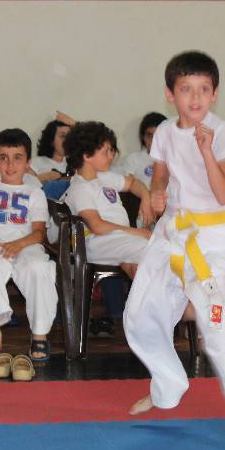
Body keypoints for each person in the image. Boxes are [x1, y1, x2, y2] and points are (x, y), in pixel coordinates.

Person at [123, 50, 225, 449]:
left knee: (217, 318)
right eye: (186, 90)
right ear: (170, 94)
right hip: (171, 232)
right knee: (140, 314)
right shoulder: (162, 132)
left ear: (214, 95)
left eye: (203, 90)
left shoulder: (224, 132)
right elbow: (160, 174)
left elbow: (224, 192)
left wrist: (208, 151)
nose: (195, 98)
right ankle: (167, 386)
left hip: (210, 240)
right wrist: (156, 195)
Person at [0, 128, 56, 364]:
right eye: (3, 157)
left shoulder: (35, 192)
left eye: (17, 157)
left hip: (27, 245)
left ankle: (39, 334)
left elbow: (39, 233)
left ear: (28, 162)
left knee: (39, 268)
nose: (10, 164)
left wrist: (19, 244)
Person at [63, 121, 154, 331]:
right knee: (153, 248)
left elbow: (133, 183)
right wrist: (137, 232)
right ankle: (150, 315)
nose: (112, 156)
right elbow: (96, 226)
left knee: (140, 267)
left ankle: (142, 318)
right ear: (86, 156)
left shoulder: (104, 178)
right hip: (95, 243)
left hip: (118, 242)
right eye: (106, 151)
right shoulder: (80, 188)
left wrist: (146, 197)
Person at [113, 111, 167, 190]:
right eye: (149, 135)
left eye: (158, 135)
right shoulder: (134, 159)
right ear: (142, 136)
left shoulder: (175, 159)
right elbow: (126, 186)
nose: (153, 141)